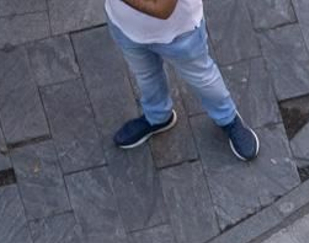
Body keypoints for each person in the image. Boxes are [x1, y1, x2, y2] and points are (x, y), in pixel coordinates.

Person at [104, 0, 260, 162]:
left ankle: (228, 118)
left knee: (202, 78)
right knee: (146, 76)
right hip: (123, 27)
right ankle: (158, 118)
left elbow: (162, 10)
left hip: (180, 35)